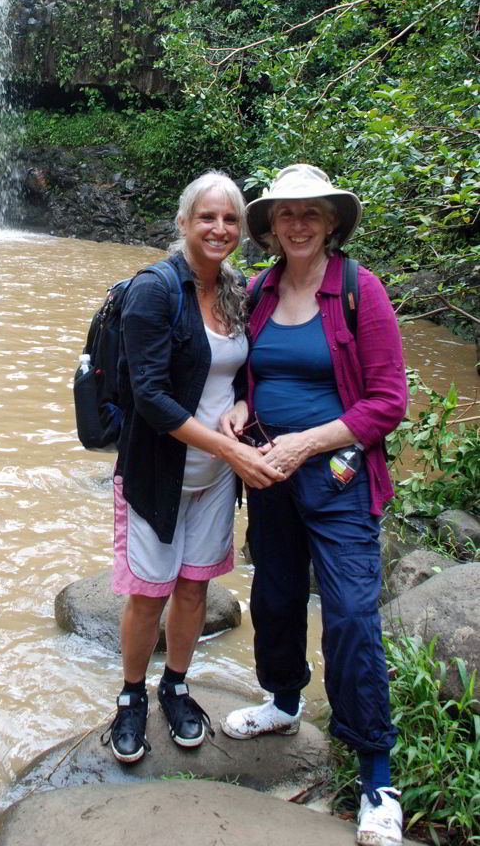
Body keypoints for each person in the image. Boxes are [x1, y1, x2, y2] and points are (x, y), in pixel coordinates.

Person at [218, 164, 407, 846]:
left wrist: (303, 445)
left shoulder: (360, 291)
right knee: (273, 596)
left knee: (353, 616)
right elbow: (245, 368)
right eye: (284, 215)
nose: (297, 224)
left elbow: (388, 402)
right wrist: (242, 407)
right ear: (269, 228)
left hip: (337, 476)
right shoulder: (260, 289)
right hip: (269, 471)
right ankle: (285, 702)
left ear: (330, 223)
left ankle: (377, 775)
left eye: (311, 214)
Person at [103, 171, 284, 764]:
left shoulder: (235, 288)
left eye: (230, 219)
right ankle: (131, 699)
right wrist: (232, 449)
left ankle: (175, 685)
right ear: (183, 223)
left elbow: (237, 374)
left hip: (214, 478)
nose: (220, 228)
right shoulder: (154, 290)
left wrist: (238, 410)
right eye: (207, 217)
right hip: (158, 471)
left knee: (193, 589)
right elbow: (149, 395)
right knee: (148, 597)